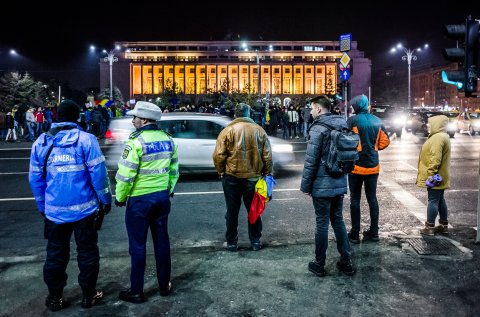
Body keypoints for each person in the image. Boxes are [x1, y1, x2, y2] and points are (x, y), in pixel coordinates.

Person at [28, 100, 112, 312]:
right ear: (78, 117)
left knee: (55, 254)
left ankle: (55, 298)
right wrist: (105, 200)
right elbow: (99, 175)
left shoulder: (41, 142)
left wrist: (42, 205)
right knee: (87, 253)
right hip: (85, 210)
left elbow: (35, 179)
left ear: (56, 117)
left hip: (54, 212)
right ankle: (88, 295)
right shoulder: (87, 140)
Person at [115, 101, 179, 303]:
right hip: (161, 197)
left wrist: (120, 197)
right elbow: (174, 171)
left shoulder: (135, 142)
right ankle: (164, 286)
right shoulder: (169, 140)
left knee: (137, 246)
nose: (132, 120)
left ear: (143, 120)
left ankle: (136, 291)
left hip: (140, 201)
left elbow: (125, 175)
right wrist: (167, 190)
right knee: (162, 242)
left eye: (135, 117)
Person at [300, 95, 355, 277]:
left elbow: (311, 161)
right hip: (339, 180)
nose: (311, 111)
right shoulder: (342, 123)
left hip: (322, 184)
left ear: (319, 109)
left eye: (312, 107)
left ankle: (319, 263)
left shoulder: (318, 128)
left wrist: (306, 186)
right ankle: (346, 262)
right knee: (338, 220)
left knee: (322, 223)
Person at [213, 103, 273, 252]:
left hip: (231, 176)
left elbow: (219, 155)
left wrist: (221, 171)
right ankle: (255, 241)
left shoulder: (227, 131)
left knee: (232, 211)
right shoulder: (259, 130)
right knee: (253, 210)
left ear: (235, 114)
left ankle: (232, 242)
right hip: (253, 177)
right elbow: (267, 155)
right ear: (248, 114)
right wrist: (267, 172)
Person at [346, 94, 390, 244]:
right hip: (373, 166)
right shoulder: (378, 121)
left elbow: (345, 141)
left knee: (355, 199)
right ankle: (374, 232)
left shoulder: (352, 121)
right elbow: (384, 143)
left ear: (357, 106)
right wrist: (374, 147)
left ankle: (354, 233)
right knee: (372, 198)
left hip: (355, 167)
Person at [416, 114, 451, 235]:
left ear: (437, 124)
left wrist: (430, 174)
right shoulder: (442, 136)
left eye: (430, 124)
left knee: (433, 200)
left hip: (435, 176)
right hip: (441, 175)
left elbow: (435, 158)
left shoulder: (437, 138)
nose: (428, 126)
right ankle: (444, 225)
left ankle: (429, 227)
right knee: (440, 200)